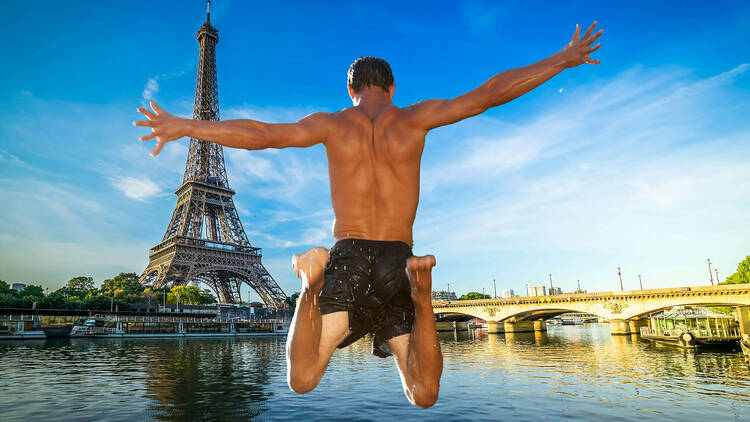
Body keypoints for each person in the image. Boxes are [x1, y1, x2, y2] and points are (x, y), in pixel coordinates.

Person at [134, 21, 603, 408]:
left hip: (350, 254)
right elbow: (488, 94)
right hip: (399, 257)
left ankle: (309, 284)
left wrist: (188, 126)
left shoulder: (334, 123)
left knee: (302, 378)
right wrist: (561, 59)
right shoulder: (416, 117)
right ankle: (423, 297)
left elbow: (265, 134)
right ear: (392, 87)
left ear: (351, 89)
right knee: (424, 394)